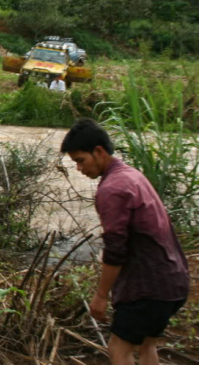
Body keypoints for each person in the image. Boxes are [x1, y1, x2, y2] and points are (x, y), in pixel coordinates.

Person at [60, 119, 189, 365]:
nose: (78, 168)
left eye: (80, 160)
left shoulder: (112, 189)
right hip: (172, 281)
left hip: (147, 287)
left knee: (119, 348)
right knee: (146, 344)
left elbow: (116, 249)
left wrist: (101, 295)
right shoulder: (132, 175)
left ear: (98, 151)